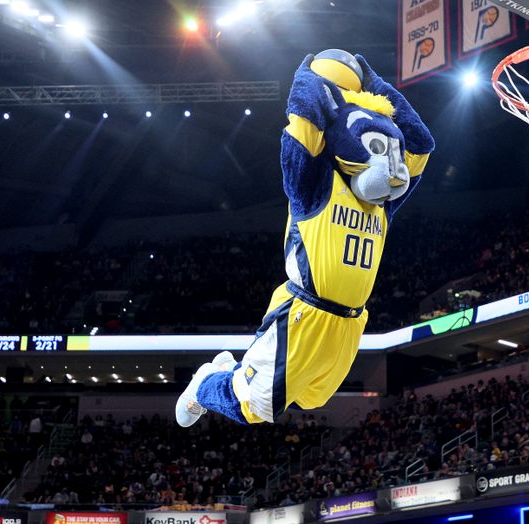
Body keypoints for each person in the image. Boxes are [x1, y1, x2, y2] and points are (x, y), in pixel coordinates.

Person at [176, 53, 434, 426]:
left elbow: (420, 147)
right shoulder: (314, 184)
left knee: (312, 397)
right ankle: (204, 384)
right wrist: (310, 75)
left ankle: (235, 370)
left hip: (350, 322)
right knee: (259, 408)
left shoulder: (381, 207)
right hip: (303, 312)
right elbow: (303, 126)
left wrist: (375, 85)